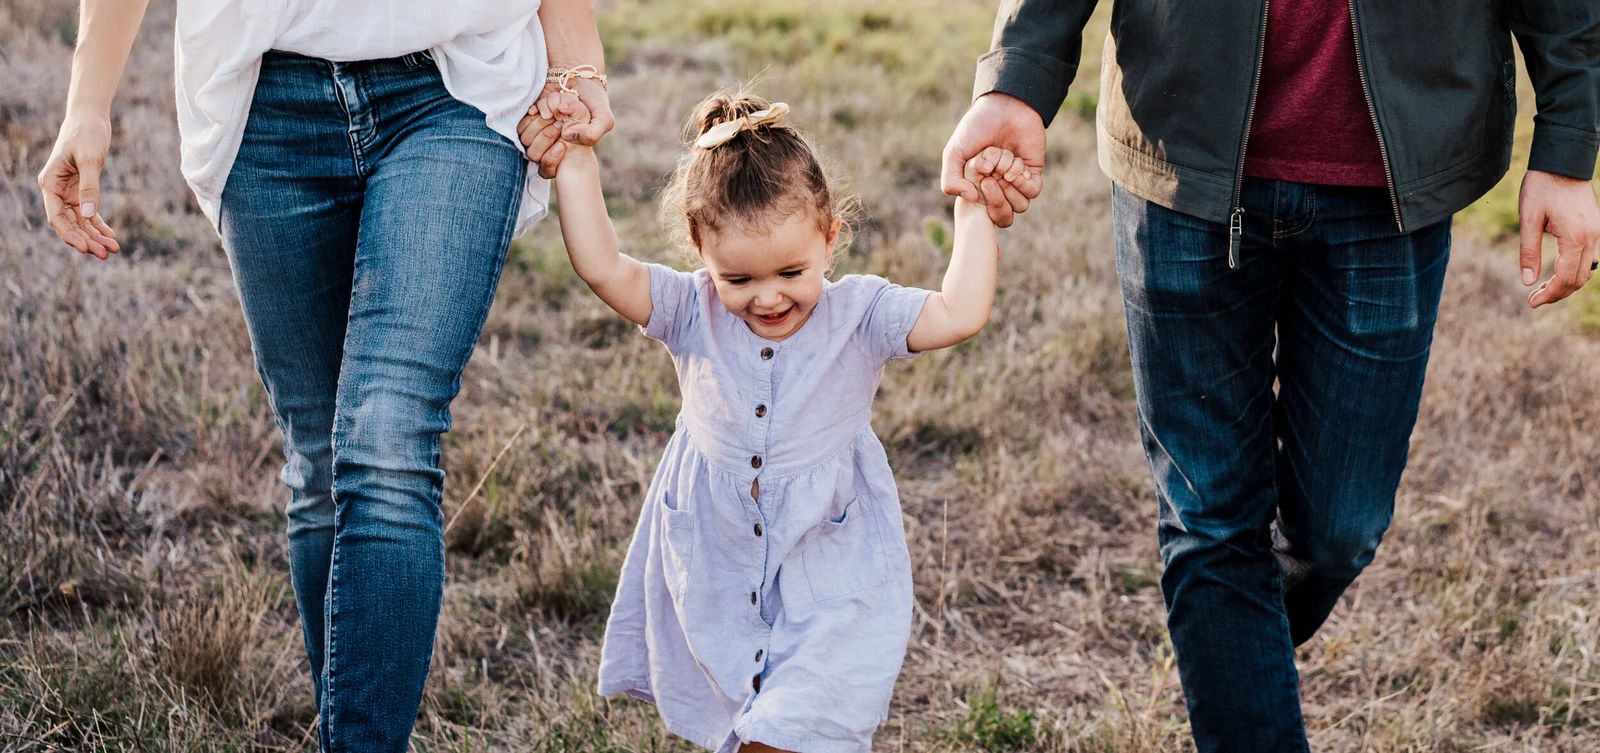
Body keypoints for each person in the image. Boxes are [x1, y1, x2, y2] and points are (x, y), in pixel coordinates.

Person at [941, 2, 1599, 751]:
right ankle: (1227, 637)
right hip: (1182, 156)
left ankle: (1228, 639)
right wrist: (1015, 80)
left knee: (1341, 531)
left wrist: (1567, 143)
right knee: (1210, 524)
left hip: (1392, 171)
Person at [37, 1, 611, 749]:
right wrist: (87, 104)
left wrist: (577, 62)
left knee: (386, 439)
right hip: (263, 98)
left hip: (457, 86)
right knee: (319, 462)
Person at [527, 89, 1008, 753]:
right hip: (719, 562)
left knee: (796, 725)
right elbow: (603, 267)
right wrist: (578, 160)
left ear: (830, 237)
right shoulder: (689, 309)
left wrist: (974, 207)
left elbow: (959, 312)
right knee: (747, 722)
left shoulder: (860, 316)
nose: (769, 296)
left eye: (791, 270)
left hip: (827, 563)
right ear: (700, 249)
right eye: (740, 279)